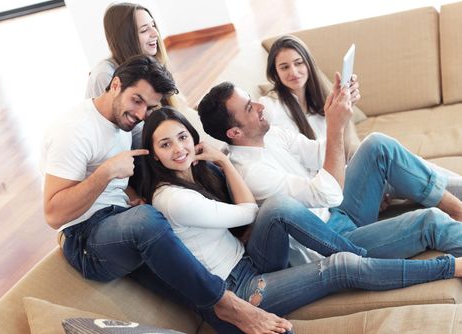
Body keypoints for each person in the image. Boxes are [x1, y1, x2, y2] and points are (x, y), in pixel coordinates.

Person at [140, 106, 462, 334]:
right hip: (242, 287)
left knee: (282, 205)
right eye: (166, 144)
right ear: (154, 155)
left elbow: (325, 162)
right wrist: (228, 163)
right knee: (344, 262)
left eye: (183, 138)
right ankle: (426, 264)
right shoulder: (174, 199)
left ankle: (364, 254)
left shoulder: (199, 175)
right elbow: (250, 211)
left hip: (257, 258)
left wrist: (223, 160)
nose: (179, 148)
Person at [41, 55, 293, 334]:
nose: (139, 114)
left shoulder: (122, 122)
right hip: (85, 239)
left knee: (184, 271)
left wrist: (132, 193)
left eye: (148, 107)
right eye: (136, 100)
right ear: (115, 85)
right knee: (148, 221)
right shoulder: (74, 131)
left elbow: (117, 182)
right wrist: (105, 173)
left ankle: (234, 321)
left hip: (120, 222)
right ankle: (226, 303)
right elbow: (53, 213)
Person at [198, 80, 462, 263]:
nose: (260, 107)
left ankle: (457, 209)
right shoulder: (252, 174)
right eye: (249, 108)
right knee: (429, 222)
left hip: (338, 212)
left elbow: (322, 154)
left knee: (378, 145)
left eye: (253, 101)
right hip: (330, 244)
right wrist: (335, 126)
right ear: (234, 133)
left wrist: (338, 112)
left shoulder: (271, 134)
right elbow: (328, 194)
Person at [261, 34, 462, 200]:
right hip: (331, 189)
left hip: (350, 172)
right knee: (404, 167)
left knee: (417, 166)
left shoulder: (324, 101)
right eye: (284, 67)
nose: (294, 72)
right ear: (275, 74)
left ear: (309, 64)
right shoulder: (272, 107)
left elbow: (349, 149)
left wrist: (346, 113)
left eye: (298, 63)